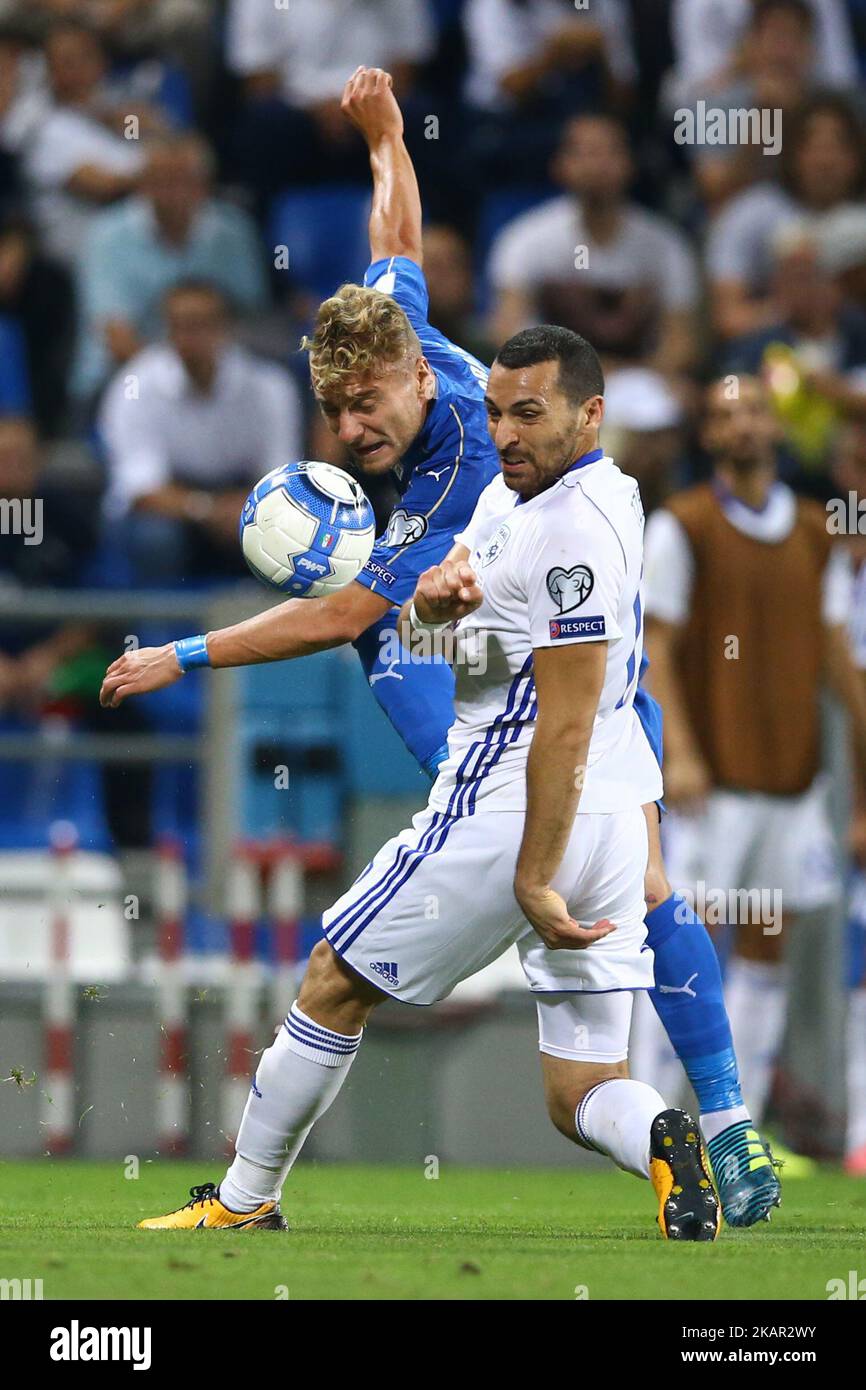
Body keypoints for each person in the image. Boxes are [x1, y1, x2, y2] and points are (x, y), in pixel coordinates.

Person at [99, 67, 780, 1227]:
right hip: (584, 707)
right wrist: (382, 136)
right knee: (607, 998)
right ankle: (703, 1132)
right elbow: (397, 231)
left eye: (369, 406)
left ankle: (248, 1199)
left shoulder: (468, 467)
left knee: (353, 952)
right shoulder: (406, 337)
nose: (353, 429)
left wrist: (185, 654)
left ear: (422, 377)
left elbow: (341, 619)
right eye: (337, 414)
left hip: (521, 724)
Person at [135, 324, 722, 1241]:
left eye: (530, 414)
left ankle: (243, 1202)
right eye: (493, 412)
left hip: (520, 802)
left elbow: (560, 721)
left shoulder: (570, 534)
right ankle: (665, 1134)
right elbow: (466, 607)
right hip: (609, 814)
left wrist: (531, 877)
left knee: (332, 979)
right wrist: (439, 603)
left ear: (591, 413)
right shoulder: (574, 492)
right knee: (580, 1094)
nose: (505, 433)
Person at [640, 374, 866, 1139]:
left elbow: (838, 654)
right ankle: (649, 1116)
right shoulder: (684, 524)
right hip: (716, 785)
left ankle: (734, 1131)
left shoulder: (814, 531)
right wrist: (681, 752)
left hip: (793, 780)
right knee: (685, 946)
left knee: (768, 950)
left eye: (754, 411)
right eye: (724, 413)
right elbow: (656, 649)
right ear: (707, 436)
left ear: (777, 427)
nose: (741, 425)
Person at [99, 279, 302, 583]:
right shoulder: (135, 385)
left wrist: (244, 511)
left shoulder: (269, 386)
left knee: (289, 527)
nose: (191, 336)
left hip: (244, 499)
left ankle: (274, 625)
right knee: (154, 537)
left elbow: (282, 480)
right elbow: (140, 489)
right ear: (166, 330)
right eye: (180, 325)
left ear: (226, 327)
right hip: (170, 509)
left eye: (202, 324)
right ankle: (158, 628)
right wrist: (209, 510)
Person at [487, 114, 699, 379]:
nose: (597, 165)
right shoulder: (526, 239)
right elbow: (506, 326)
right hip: (552, 380)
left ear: (630, 163)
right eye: (585, 153)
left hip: (639, 382)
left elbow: (682, 341)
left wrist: (631, 374)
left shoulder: (665, 245)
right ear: (560, 165)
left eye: (609, 152)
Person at [74, 132, 268, 403]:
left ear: (204, 185)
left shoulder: (234, 231)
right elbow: (116, 336)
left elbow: (250, 315)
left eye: (182, 180)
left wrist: (207, 376)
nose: (170, 193)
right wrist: (177, 384)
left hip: (217, 376)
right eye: (159, 181)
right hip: (125, 377)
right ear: (141, 185)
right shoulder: (106, 236)